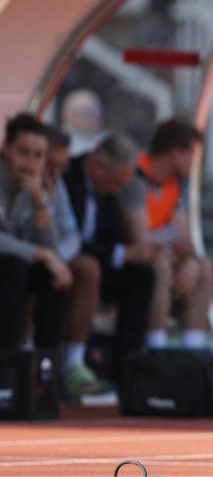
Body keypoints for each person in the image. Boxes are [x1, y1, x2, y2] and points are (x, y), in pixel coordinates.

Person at [63, 134, 157, 386]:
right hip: (66, 261)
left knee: (142, 273)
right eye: (116, 183)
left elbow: (108, 237)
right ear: (97, 166)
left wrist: (129, 253)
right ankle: (72, 363)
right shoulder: (66, 176)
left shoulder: (109, 191)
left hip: (98, 261)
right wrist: (120, 253)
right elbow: (69, 236)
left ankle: (128, 367)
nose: (117, 192)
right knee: (89, 268)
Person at [120, 119, 213, 350]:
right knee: (160, 263)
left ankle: (193, 350)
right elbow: (140, 238)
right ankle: (156, 350)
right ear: (175, 153)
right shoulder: (135, 177)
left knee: (204, 267)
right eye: (190, 153)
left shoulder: (172, 185)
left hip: (160, 254)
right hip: (125, 260)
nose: (194, 161)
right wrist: (173, 250)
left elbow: (183, 238)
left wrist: (191, 260)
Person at [42, 126, 106, 395]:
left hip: (51, 257)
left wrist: (58, 257)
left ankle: (72, 362)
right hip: (25, 257)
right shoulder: (20, 183)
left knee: (87, 268)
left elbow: (72, 233)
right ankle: (25, 360)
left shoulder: (58, 185)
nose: (56, 171)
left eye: (62, 165)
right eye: (51, 164)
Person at [0, 113, 71, 352]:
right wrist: (41, 253)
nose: (30, 163)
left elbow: (52, 246)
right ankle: (6, 373)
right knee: (13, 266)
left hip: (15, 265)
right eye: (23, 152)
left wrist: (39, 201)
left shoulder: (35, 187)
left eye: (38, 156)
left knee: (54, 276)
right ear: (6, 148)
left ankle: (44, 369)